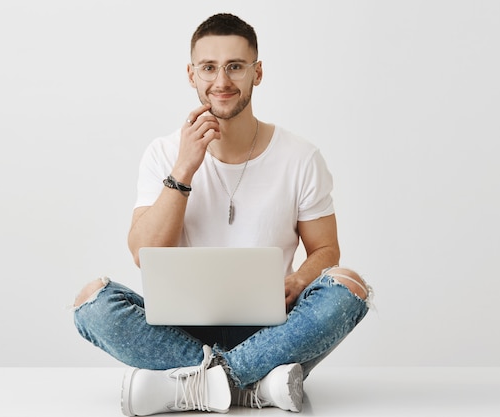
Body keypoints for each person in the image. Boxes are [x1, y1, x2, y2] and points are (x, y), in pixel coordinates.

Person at [73, 13, 373, 416]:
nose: (222, 81)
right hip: (179, 328)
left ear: (257, 72)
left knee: (348, 287)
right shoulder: (163, 153)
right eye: (209, 68)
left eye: (235, 66)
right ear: (191, 74)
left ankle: (190, 386)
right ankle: (254, 386)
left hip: (270, 329)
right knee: (91, 303)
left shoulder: (300, 156)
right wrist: (184, 169)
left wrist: (300, 278)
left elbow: (326, 249)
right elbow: (144, 253)